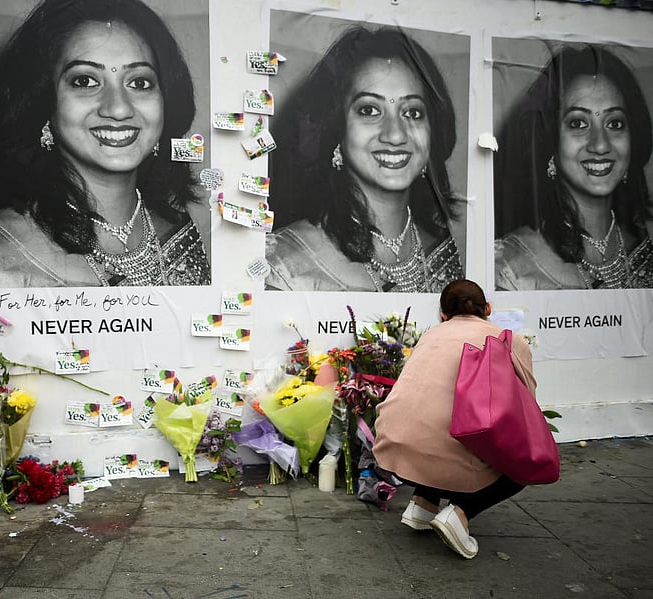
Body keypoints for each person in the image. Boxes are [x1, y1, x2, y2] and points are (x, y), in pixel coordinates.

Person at [0, 0, 210, 287]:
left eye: (139, 82)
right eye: (85, 81)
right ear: (43, 102)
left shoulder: (179, 231)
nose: (118, 109)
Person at [265, 26, 464, 292]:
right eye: (369, 110)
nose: (395, 134)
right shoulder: (286, 267)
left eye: (413, 112)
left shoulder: (454, 255)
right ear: (335, 127)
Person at [372, 279, 537, 559]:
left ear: (443, 314)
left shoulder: (430, 335)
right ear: (488, 308)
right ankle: (460, 514)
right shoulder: (508, 339)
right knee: (522, 462)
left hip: (393, 446)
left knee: (436, 425)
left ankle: (423, 503)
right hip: (446, 446)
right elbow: (526, 406)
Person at [494, 44, 653, 290]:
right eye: (578, 123)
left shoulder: (646, 247)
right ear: (550, 143)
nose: (600, 145)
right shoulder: (510, 267)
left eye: (615, 123)